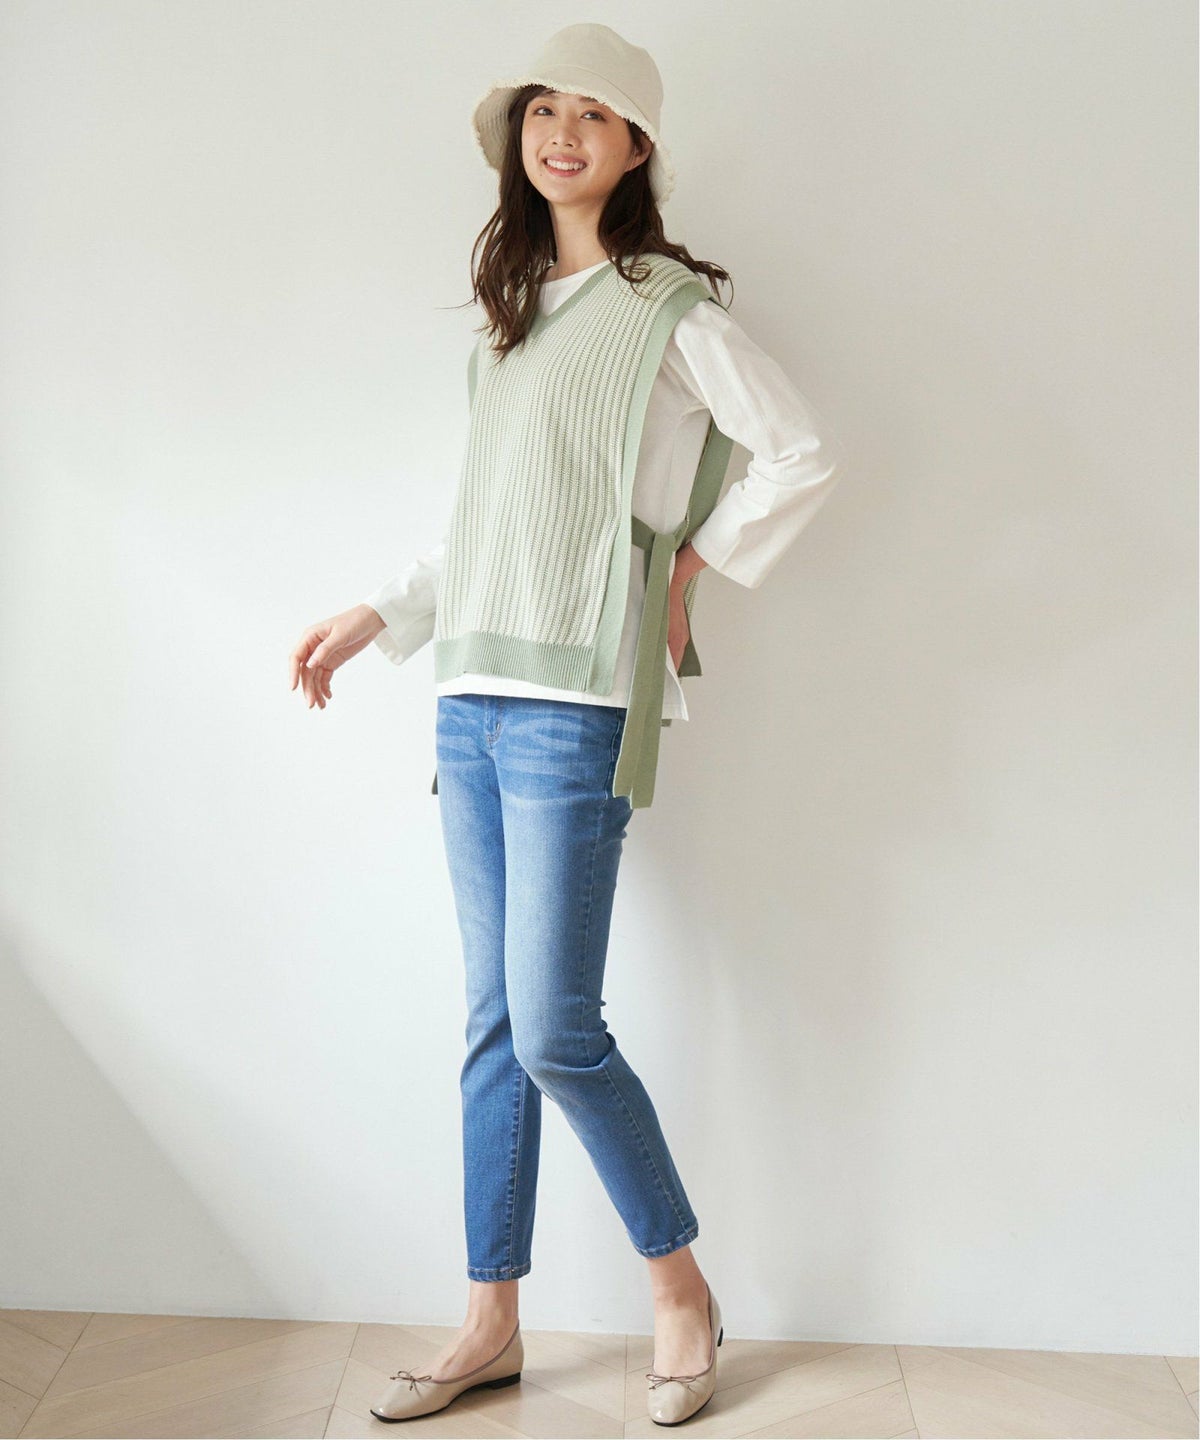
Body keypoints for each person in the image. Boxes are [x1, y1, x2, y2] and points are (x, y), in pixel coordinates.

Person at [288, 22, 842, 1427]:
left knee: (554, 1029)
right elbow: (489, 515)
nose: (562, 134)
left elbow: (799, 452)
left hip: (576, 701)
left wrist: (694, 565)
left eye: (594, 114)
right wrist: (378, 615)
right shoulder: (512, 310)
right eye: (544, 110)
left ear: (636, 146)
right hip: (469, 689)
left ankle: (680, 1290)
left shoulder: (670, 310)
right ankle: (490, 1321)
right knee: (494, 1025)